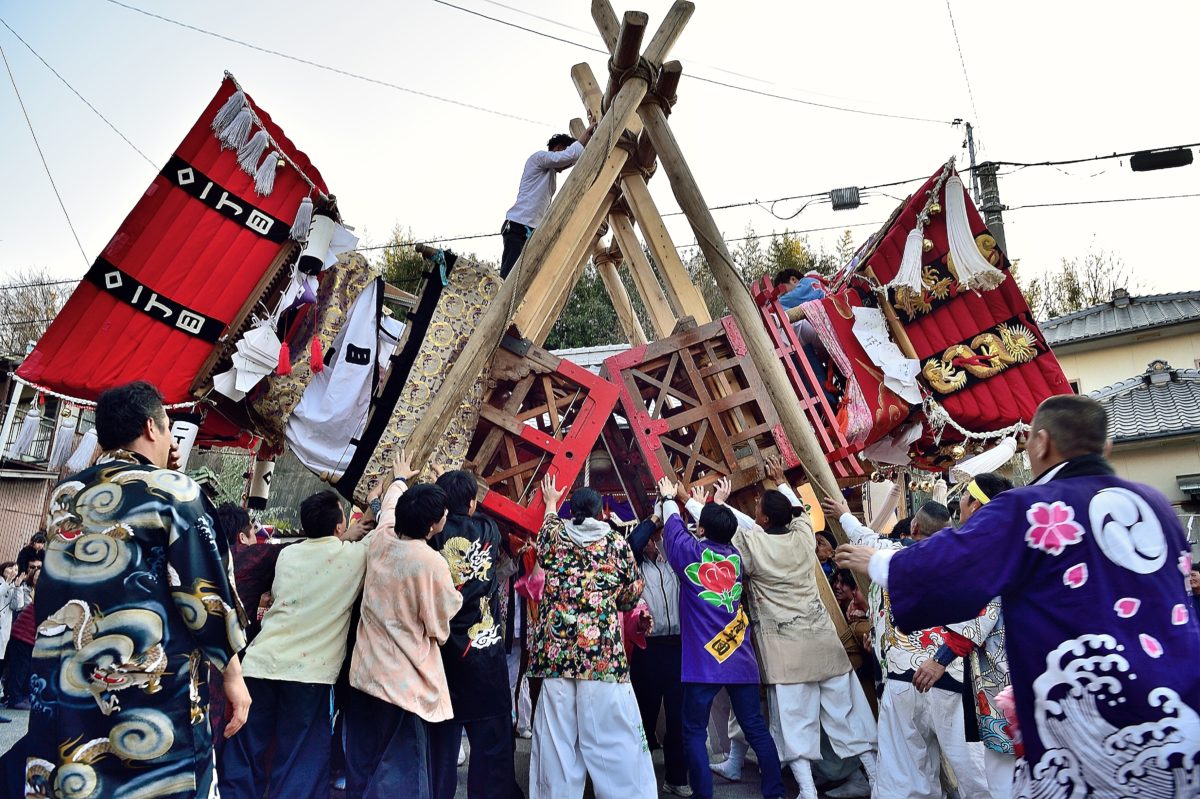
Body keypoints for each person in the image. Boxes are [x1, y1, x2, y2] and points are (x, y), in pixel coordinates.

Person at [837, 394, 1200, 797]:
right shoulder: (1157, 505)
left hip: (1089, 730)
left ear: (1041, 443)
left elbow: (955, 565)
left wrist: (881, 562)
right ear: (1107, 447)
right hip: (1177, 712)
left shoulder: (1032, 507)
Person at [19, 380, 250, 798]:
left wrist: (164, 473)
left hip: (69, 684)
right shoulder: (177, 493)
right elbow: (204, 594)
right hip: (152, 695)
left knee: (77, 777)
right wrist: (232, 675)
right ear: (152, 426)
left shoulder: (65, 497)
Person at [702, 470, 877, 799]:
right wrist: (780, 480)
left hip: (785, 651)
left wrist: (716, 504)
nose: (755, 511)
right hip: (823, 642)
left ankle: (808, 790)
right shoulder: (803, 535)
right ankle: (877, 778)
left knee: (794, 724)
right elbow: (798, 510)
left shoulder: (753, 544)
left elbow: (728, 528)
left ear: (765, 518)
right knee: (849, 712)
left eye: (758, 508)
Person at [821, 496, 990, 799]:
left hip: (902, 678)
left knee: (905, 773)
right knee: (974, 771)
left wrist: (845, 514)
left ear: (913, 527)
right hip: (949, 675)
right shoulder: (962, 559)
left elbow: (862, 535)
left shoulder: (889, 554)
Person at [221, 489, 377, 799]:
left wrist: (345, 535)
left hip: (259, 665)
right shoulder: (356, 557)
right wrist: (378, 498)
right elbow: (382, 528)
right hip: (308, 677)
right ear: (338, 527)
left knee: (244, 756)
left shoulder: (288, 555)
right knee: (298, 764)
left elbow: (321, 552)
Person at [657, 475, 787, 799]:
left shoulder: (691, 554)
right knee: (756, 728)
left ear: (701, 529)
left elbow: (672, 526)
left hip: (703, 663)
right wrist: (709, 504)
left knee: (693, 731)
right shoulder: (736, 558)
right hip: (740, 658)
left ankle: (704, 795)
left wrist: (669, 496)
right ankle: (775, 792)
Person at [527, 474, 653, 799]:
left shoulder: (554, 538)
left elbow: (546, 531)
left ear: (574, 510)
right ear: (600, 513)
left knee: (556, 746)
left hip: (557, 656)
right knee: (614, 743)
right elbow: (629, 597)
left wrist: (552, 501)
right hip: (603, 658)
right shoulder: (616, 544)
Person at [344, 462, 463, 799]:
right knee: (400, 777)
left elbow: (391, 507)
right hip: (403, 686)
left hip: (365, 674)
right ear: (433, 526)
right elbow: (440, 628)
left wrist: (398, 478)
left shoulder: (382, 539)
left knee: (363, 764)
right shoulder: (430, 563)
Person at [426, 468, 518, 799]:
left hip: (443, 657)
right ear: (473, 501)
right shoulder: (488, 529)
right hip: (485, 654)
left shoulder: (431, 535)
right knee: (491, 751)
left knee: (439, 752)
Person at [935, 472, 1017, 799]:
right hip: (1021, 662)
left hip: (1002, 673)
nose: (961, 509)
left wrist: (939, 659)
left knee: (1002, 768)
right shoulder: (1013, 539)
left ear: (977, 505)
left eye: (965, 500)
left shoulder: (989, 548)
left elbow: (981, 612)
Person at [627, 504, 691, 797]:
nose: (655, 542)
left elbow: (686, 542)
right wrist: (652, 518)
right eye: (652, 537)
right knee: (643, 716)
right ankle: (634, 778)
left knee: (678, 717)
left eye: (660, 536)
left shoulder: (674, 564)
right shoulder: (635, 564)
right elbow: (631, 544)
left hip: (677, 646)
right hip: (647, 648)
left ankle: (676, 777)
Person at [499, 128, 593, 279]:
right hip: (517, 226)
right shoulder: (540, 158)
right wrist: (586, 136)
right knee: (509, 276)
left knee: (525, 277)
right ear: (558, 148)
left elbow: (568, 158)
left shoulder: (550, 175)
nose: (566, 167)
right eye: (564, 154)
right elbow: (567, 156)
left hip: (530, 230)